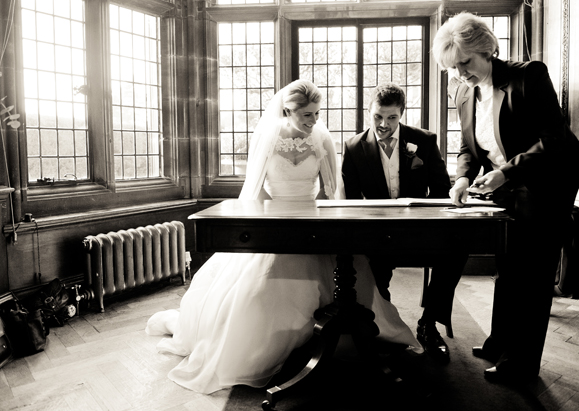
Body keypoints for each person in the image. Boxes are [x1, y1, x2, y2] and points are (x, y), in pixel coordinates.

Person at [146, 79, 420, 394]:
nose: (314, 120)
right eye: (306, 115)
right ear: (288, 110)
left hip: (316, 223)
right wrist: (263, 230)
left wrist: (338, 232)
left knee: (347, 283)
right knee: (259, 292)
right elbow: (257, 189)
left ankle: (342, 338)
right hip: (275, 223)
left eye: (317, 113)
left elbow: (333, 193)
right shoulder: (268, 137)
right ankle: (268, 352)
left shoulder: (321, 138)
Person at [433, 12, 579, 382]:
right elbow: (468, 149)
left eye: (465, 63)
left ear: (487, 48)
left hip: (548, 183)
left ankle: (520, 366)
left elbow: (553, 138)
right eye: (452, 68)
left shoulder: (529, 76)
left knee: (533, 275)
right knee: (507, 269)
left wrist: (506, 171)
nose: (460, 74)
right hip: (508, 187)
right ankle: (499, 344)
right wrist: (461, 179)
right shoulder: (462, 91)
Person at [341, 82, 468, 363]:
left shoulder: (424, 140)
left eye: (391, 118)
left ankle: (428, 324)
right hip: (377, 234)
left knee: (456, 252)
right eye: (377, 117)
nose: (383, 124)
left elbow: (438, 190)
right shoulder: (353, 148)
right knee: (370, 266)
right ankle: (380, 326)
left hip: (418, 230)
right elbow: (351, 201)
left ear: (402, 113)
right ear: (369, 112)